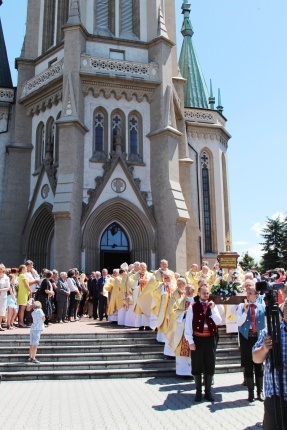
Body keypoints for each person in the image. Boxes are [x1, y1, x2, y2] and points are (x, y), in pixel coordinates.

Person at [253, 298, 287, 429]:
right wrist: (264, 349)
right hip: (275, 397)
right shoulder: (270, 332)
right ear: (284, 310)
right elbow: (256, 359)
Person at [184, 285, 222, 402]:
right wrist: (190, 341)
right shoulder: (193, 307)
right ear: (199, 293)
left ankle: (208, 392)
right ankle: (198, 392)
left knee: (210, 364)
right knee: (197, 365)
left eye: (207, 293)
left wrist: (213, 309)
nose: (206, 294)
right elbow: (188, 325)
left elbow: (219, 321)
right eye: (203, 293)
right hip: (198, 339)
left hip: (210, 338)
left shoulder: (213, 306)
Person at [236, 286, 266, 402]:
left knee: (259, 365)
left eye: (250, 293)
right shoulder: (241, 306)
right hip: (246, 338)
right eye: (247, 293)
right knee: (248, 365)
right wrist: (246, 312)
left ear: (256, 295)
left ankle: (260, 392)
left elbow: (265, 323)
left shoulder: (262, 307)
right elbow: (238, 322)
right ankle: (250, 393)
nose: (247, 295)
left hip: (258, 338)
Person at [0, 263, 10, 330]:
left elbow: (8, 288)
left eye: (1, 269)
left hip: (3, 296)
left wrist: (0, 290)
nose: (1, 270)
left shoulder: (6, 277)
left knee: (1, 311)